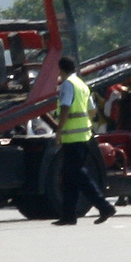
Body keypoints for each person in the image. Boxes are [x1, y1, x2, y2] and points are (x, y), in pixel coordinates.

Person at [53, 56, 116, 226]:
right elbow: (93, 111)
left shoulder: (67, 84)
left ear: (61, 70)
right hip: (84, 136)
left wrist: (59, 131)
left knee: (79, 175)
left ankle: (104, 207)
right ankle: (68, 216)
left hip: (72, 137)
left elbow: (65, 107)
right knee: (69, 177)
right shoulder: (82, 85)